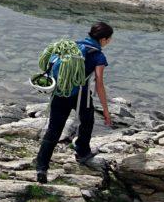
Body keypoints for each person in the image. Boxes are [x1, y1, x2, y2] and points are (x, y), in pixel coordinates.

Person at [34, 21, 113, 184]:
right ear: (104, 39)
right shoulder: (98, 55)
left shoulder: (72, 47)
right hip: (81, 96)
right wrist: (106, 110)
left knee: (54, 130)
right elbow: (99, 84)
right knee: (87, 121)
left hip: (60, 92)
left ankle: (41, 166)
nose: (109, 42)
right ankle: (82, 152)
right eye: (110, 39)